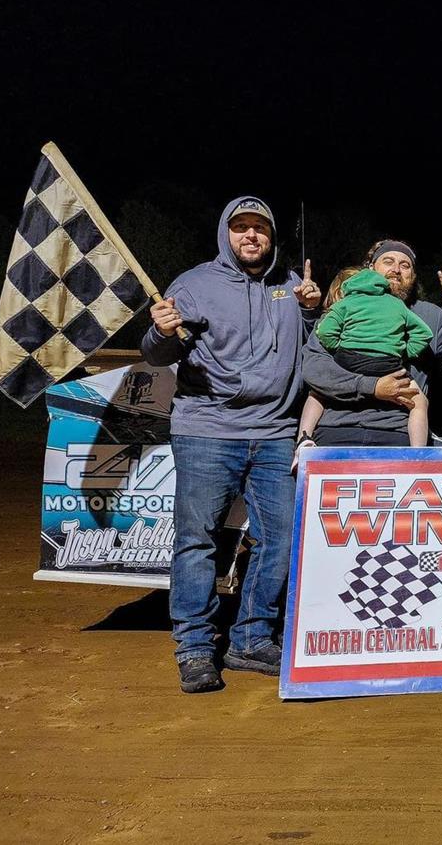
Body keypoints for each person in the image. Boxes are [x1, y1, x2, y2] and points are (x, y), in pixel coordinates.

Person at [141, 196, 322, 694]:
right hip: (208, 430)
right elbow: (157, 352)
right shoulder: (195, 284)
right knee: (197, 541)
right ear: (226, 233)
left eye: (259, 228)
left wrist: (311, 312)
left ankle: (250, 638)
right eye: (240, 227)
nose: (250, 236)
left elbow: (310, 348)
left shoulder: (291, 285)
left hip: (275, 432)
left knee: (282, 538)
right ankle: (195, 647)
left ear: (271, 235)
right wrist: (160, 332)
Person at [300, 240, 442, 447]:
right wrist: (373, 386)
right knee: (315, 394)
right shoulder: (344, 306)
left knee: (419, 403)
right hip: (336, 428)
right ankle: (303, 444)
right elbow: (314, 369)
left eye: (405, 265)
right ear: (371, 268)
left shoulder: (431, 315)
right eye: (388, 261)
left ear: (414, 275)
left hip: (396, 431)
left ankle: (418, 458)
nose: (396, 269)